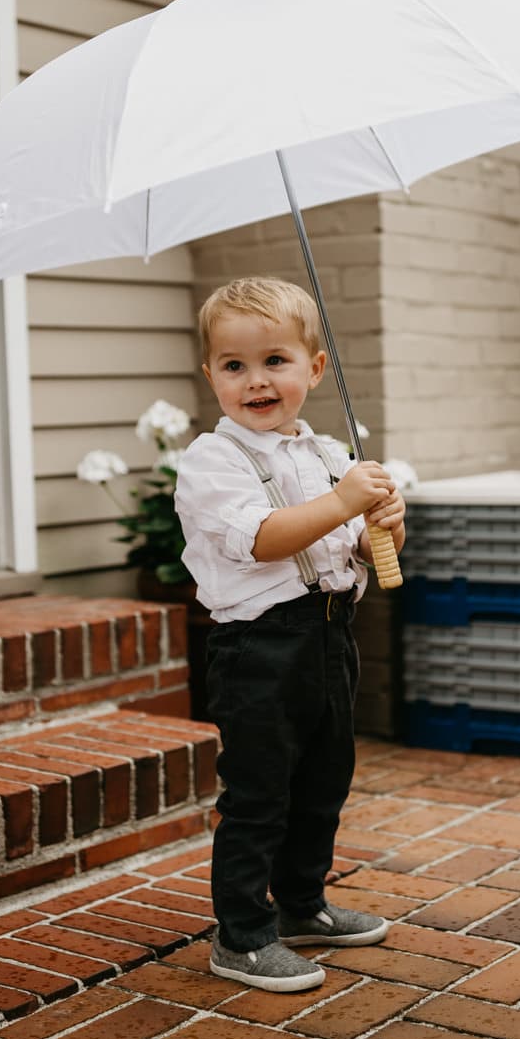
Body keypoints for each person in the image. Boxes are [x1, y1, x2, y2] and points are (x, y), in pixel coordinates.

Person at [173, 276, 407, 991]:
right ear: (210, 373)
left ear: (315, 366)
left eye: (275, 360)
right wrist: (342, 502)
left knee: (322, 781)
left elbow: (354, 549)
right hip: (259, 650)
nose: (255, 381)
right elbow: (266, 539)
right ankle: (241, 936)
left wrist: (381, 527)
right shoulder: (214, 461)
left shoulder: (331, 453)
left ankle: (301, 904)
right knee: (260, 792)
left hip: (331, 636)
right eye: (234, 365)